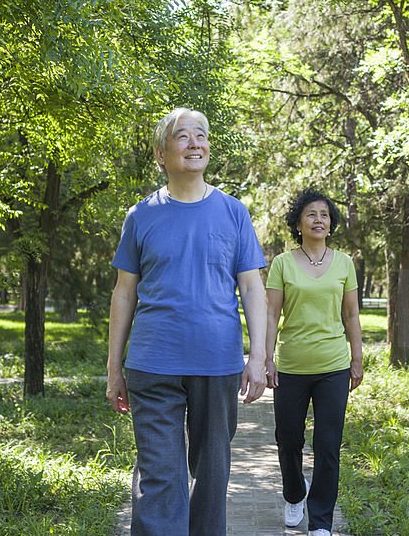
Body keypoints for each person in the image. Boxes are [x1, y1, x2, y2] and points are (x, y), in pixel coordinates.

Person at [106, 107, 268, 536]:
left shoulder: (234, 212)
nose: (195, 143)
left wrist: (258, 356)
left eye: (201, 135)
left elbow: (252, 288)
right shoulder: (140, 215)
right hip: (152, 362)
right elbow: (124, 294)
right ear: (161, 153)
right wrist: (113, 370)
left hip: (218, 362)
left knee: (212, 472)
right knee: (160, 473)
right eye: (183, 136)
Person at [265, 188, 363, 536]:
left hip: (333, 366)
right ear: (298, 222)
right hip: (291, 366)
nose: (319, 219)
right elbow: (272, 313)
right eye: (311, 214)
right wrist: (266, 359)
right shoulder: (282, 263)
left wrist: (357, 358)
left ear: (331, 223)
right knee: (288, 439)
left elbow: (351, 316)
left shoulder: (344, 263)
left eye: (324, 214)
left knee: (328, 444)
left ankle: (320, 521)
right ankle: (294, 494)